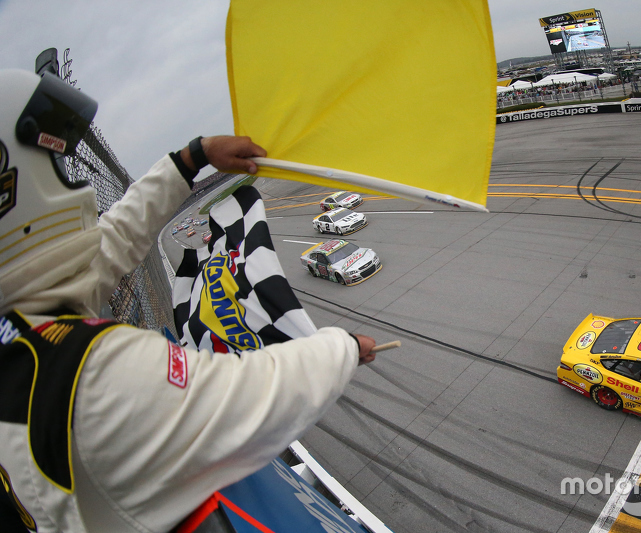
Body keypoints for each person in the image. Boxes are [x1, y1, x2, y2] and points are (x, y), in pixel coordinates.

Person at [0, 68, 376, 533]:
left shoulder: (22, 323)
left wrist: (192, 158)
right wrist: (342, 348)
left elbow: (112, 241)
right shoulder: (86, 370)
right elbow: (250, 399)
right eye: (57, 163)